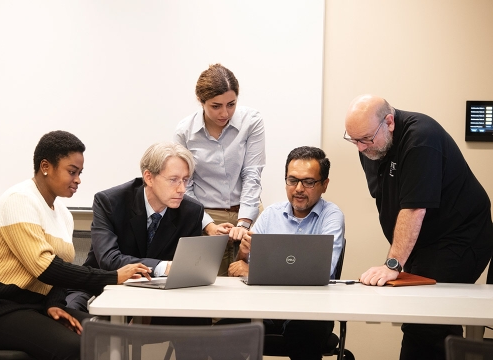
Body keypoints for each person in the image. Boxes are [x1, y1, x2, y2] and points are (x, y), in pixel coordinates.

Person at [0, 131, 151, 360]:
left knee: (104, 334)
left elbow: (58, 273)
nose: (78, 179)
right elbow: (45, 268)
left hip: (29, 306)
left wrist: (53, 304)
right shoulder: (19, 200)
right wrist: (112, 276)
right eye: (72, 171)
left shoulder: (64, 215)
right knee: (74, 347)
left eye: (80, 173)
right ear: (45, 166)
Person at [344, 94, 493, 360]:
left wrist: (393, 264)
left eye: (365, 138)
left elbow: (413, 208)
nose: (360, 147)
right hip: (426, 241)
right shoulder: (372, 145)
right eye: (353, 140)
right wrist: (401, 259)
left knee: (429, 319)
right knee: (417, 316)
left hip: (461, 236)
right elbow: (388, 200)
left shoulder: (421, 137)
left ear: (389, 122)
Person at [66, 142, 207, 326]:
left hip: (161, 294)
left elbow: (190, 268)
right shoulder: (110, 202)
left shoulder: (192, 211)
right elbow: (109, 259)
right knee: (70, 312)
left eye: (185, 180)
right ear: (149, 177)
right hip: (105, 285)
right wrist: (162, 267)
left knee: (198, 320)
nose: (181, 189)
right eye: (173, 180)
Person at [227, 146, 345, 360]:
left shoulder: (331, 216)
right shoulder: (270, 214)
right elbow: (239, 269)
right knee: (223, 328)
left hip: (311, 310)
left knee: (302, 331)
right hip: (266, 307)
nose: (298, 188)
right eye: (292, 180)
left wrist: (254, 270)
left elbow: (322, 273)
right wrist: (243, 256)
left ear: (324, 185)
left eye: (308, 182)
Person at [174, 63, 266, 276]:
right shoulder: (184, 132)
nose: (225, 113)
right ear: (201, 101)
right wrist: (207, 224)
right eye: (216, 106)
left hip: (248, 211)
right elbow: (185, 185)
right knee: (209, 284)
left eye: (231, 104)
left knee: (252, 281)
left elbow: (252, 174)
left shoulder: (251, 122)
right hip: (204, 213)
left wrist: (244, 222)